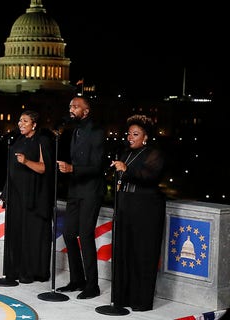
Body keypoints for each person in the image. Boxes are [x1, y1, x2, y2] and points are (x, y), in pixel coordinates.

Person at [0, 110, 55, 286]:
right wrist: (6, 192)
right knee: (16, 232)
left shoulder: (42, 140)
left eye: (25, 121)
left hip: (33, 197)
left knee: (30, 234)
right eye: (19, 120)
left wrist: (26, 161)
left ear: (34, 124)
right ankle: (14, 270)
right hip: (16, 196)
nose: (20, 123)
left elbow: (44, 168)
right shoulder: (17, 141)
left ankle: (32, 271)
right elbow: (11, 170)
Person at [110, 114, 166, 311]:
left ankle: (140, 301)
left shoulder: (154, 153)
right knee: (123, 252)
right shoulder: (125, 153)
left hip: (147, 211)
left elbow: (149, 177)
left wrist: (125, 170)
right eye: (129, 134)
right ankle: (121, 299)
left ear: (145, 137)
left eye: (135, 134)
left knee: (142, 255)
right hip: (126, 208)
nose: (130, 137)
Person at [56, 96, 106, 299]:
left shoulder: (97, 131)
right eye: (70, 106)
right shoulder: (74, 130)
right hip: (75, 189)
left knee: (85, 236)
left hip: (91, 191)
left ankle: (92, 285)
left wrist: (72, 168)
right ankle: (77, 280)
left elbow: (97, 166)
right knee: (68, 234)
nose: (71, 109)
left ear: (86, 111)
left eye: (75, 106)